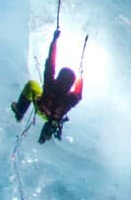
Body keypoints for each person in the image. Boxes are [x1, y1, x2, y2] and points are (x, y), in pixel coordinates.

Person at [11, 9, 86, 143]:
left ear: (59, 76)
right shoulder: (70, 98)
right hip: (51, 118)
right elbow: (79, 94)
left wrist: (54, 40)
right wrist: (80, 76)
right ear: (70, 84)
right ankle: (47, 131)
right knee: (55, 118)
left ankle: (20, 111)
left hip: (40, 106)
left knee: (32, 85)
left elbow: (51, 61)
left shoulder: (51, 82)